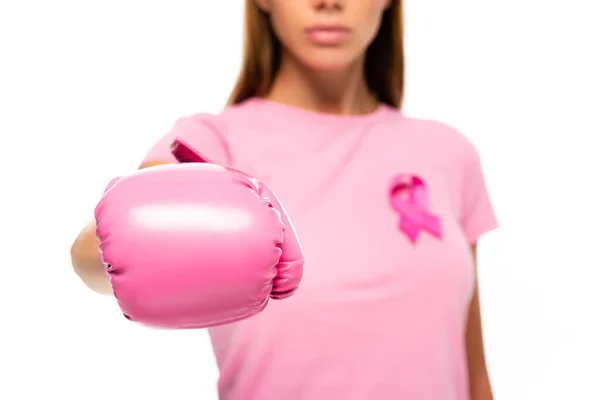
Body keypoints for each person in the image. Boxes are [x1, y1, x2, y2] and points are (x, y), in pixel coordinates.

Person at [70, 0, 498, 399]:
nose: (329, 2)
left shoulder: (448, 152)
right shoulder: (213, 144)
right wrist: (117, 250)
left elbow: (473, 370)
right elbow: (97, 253)